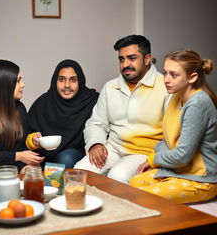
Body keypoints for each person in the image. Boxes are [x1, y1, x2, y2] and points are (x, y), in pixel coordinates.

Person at [74, 35, 168, 183]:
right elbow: (96, 123)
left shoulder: (166, 86)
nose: (125, 64)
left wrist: (155, 159)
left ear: (147, 59)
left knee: (117, 175)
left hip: (145, 153)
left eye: (132, 58)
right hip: (113, 149)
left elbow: (174, 135)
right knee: (78, 174)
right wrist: (96, 144)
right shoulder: (110, 87)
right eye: (121, 59)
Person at [130, 49, 217, 204]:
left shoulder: (197, 104)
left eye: (174, 75)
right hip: (181, 171)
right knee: (134, 183)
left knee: (141, 196)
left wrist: (154, 160)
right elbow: (168, 140)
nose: (166, 80)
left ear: (192, 77)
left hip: (202, 180)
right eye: (165, 73)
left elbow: (182, 156)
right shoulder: (175, 97)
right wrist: (153, 159)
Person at [26, 59, 99, 168]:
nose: (67, 85)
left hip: (76, 157)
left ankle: (53, 183)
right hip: (41, 159)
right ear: (55, 81)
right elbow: (25, 135)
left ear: (80, 81)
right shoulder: (43, 102)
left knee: (66, 158)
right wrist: (34, 140)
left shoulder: (92, 101)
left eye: (73, 80)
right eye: (61, 79)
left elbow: (102, 130)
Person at [0, 60, 44, 174]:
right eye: (18, 81)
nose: (23, 84)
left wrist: (32, 140)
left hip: (11, 165)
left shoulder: (19, 108)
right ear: (4, 85)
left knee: (35, 173)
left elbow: (20, 146)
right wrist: (19, 157)